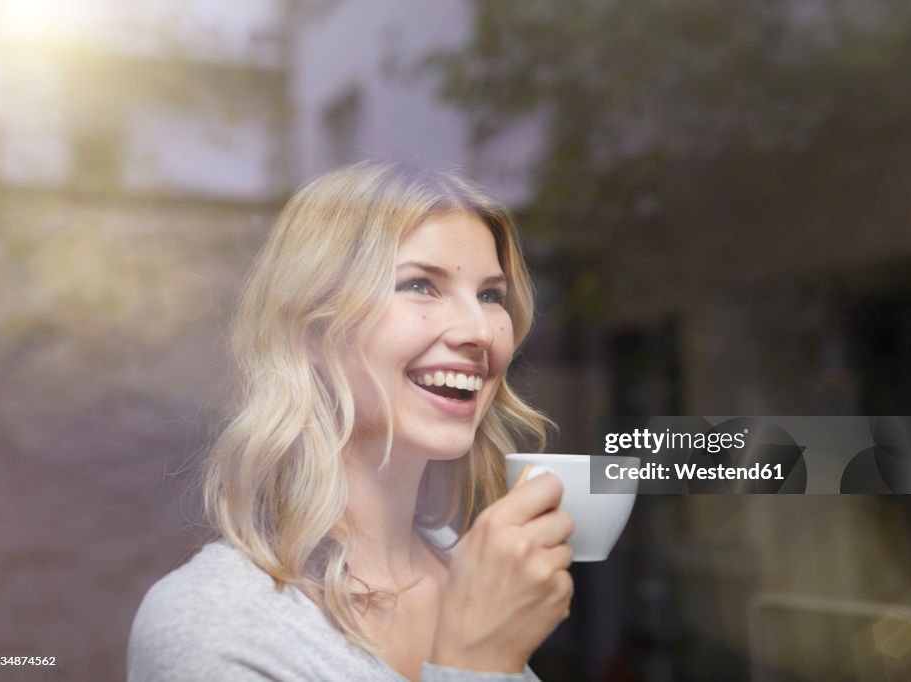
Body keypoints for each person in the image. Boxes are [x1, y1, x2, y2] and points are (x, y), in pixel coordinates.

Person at [127, 161, 575, 681]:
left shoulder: (476, 575)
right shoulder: (208, 621)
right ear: (312, 330)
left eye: (490, 296)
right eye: (419, 286)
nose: (479, 330)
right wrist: (476, 662)